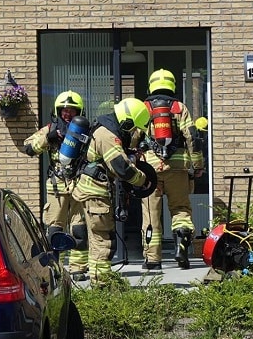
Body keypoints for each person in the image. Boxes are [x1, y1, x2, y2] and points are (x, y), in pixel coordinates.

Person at [71, 98, 153, 285]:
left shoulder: (106, 128)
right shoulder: (108, 135)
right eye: (134, 129)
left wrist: (131, 155)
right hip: (95, 195)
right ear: (127, 122)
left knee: (95, 240)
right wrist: (143, 180)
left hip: (88, 191)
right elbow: (121, 168)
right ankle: (102, 285)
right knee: (103, 241)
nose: (133, 133)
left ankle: (98, 281)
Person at [140, 69, 205, 272]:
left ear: (151, 85)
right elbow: (192, 137)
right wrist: (198, 165)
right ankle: (182, 247)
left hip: (150, 169)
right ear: (172, 84)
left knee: (151, 214)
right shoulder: (179, 107)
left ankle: (152, 260)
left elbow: (134, 137)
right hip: (178, 167)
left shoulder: (144, 108)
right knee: (180, 209)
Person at [23, 90, 89, 280]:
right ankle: (55, 267)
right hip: (56, 187)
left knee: (79, 228)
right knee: (54, 229)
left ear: (79, 112)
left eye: (72, 110)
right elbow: (28, 147)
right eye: (64, 110)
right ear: (57, 111)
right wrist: (48, 138)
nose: (67, 114)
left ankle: (78, 269)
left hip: (78, 184)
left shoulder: (86, 131)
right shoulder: (50, 128)